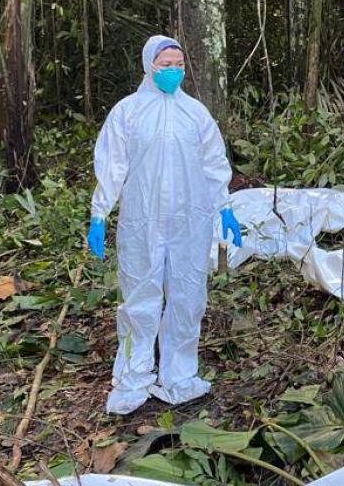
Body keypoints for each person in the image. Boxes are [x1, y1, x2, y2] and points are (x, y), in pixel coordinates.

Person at [86, 35, 244, 415]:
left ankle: (179, 375)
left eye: (178, 63)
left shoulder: (196, 114)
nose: (173, 69)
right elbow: (112, 165)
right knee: (140, 299)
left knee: (188, 298)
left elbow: (213, 163)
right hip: (143, 222)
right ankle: (133, 376)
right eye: (165, 63)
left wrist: (225, 208)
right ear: (148, 65)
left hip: (191, 221)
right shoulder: (128, 113)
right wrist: (99, 213)